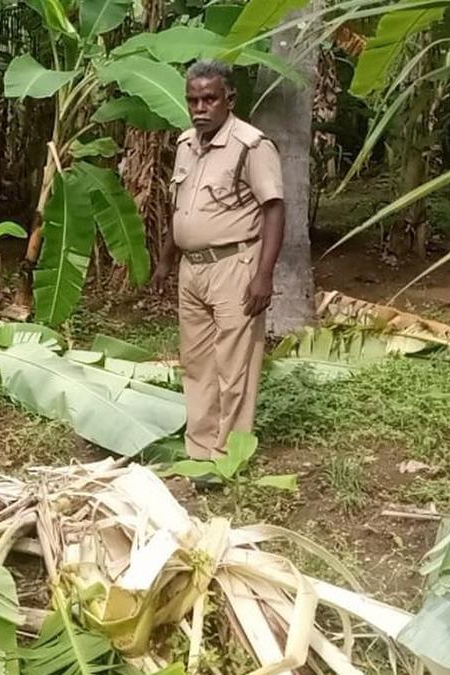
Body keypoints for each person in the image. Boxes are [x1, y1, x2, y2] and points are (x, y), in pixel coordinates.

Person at [151, 59, 286, 462]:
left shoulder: (252, 146)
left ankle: (229, 454)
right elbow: (181, 209)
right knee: (196, 363)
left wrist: (264, 274)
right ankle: (200, 449)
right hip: (192, 269)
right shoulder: (184, 145)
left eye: (209, 99)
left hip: (235, 266)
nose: (199, 108)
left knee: (234, 365)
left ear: (230, 99)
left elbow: (274, 209)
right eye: (193, 99)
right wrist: (165, 260)